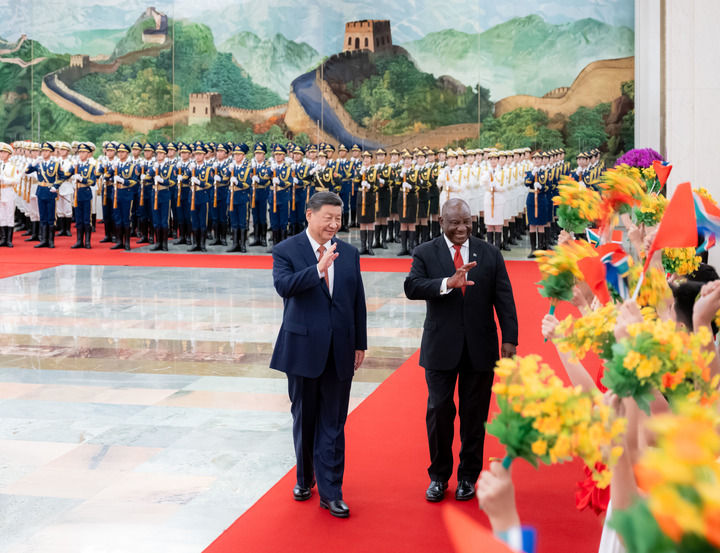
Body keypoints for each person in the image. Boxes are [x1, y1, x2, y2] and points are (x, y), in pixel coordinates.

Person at [404, 198, 518, 503]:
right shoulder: (426, 252)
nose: (461, 228)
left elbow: (504, 298)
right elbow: (412, 287)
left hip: (480, 348)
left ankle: (468, 476)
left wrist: (510, 339)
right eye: (454, 222)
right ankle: (439, 477)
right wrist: (446, 283)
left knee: (474, 414)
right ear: (441, 222)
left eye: (466, 221)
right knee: (439, 412)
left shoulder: (490, 253)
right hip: (441, 347)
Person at [270, 191, 367, 519]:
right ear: (309, 215)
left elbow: (357, 302)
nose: (334, 224)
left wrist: (360, 343)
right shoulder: (287, 250)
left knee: (334, 423)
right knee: (305, 418)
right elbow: (284, 286)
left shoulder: (350, 253)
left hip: (340, 350)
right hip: (302, 350)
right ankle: (304, 478)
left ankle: (331, 492)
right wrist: (317, 269)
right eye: (328, 217)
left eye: (338, 218)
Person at [69, 143, 100, 249]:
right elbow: (65, 174)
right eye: (80, 152)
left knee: (87, 219)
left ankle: (87, 241)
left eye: (83, 152)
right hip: (77, 193)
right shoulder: (75, 166)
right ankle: (79, 240)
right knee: (78, 218)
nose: (81, 154)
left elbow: (93, 182)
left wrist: (82, 179)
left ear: (88, 154)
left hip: (86, 193)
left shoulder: (91, 167)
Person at [0, 142, 20, 247]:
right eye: (1, 152)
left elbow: (16, 180)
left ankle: (9, 239)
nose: (2, 154)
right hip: (0, 192)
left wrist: (5, 179)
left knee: (9, 215)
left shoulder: (13, 167)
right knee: (2, 216)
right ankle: (3, 238)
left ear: (9, 154)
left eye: (4, 152)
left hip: (8, 191)